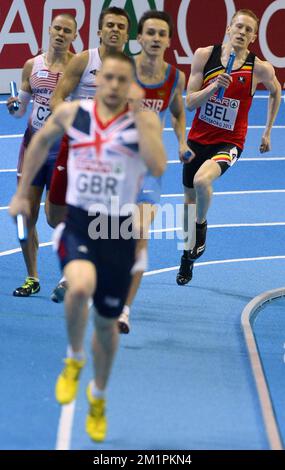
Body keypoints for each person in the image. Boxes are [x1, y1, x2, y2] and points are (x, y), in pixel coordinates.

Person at [9, 51, 167, 442]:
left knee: (107, 324)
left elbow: (159, 167)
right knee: (78, 288)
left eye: (120, 80)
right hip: (80, 222)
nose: (111, 85)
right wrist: (21, 193)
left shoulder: (141, 121)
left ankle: (98, 395)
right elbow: (37, 142)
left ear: (130, 86)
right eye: (106, 78)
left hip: (116, 229)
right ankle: (74, 359)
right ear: (99, 82)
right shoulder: (73, 114)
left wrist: (144, 133)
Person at [176, 8, 281, 285]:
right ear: (228, 29)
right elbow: (190, 102)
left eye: (248, 30)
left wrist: (267, 131)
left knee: (202, 181)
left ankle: (201, 229)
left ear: (254, 37)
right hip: (198, 138)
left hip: (229, 141)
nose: (242, 33)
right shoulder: (204, 56)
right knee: (188, 203)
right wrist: (213, 88)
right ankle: (187, 258)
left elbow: (276, 90)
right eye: (239, 27)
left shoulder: (259, 68)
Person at [48, 6, 130, 303]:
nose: (115, 30)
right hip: (74, 145)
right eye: (110, 25)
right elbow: (58, 97)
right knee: (53, 214)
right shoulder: (84, 59)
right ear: (99, 30)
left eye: (121, 26)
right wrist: (74, 124)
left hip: (106, 154)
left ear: (126, 34)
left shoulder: (129, 68)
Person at [117, 10, 191, 334]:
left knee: (139, 238)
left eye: (162, 34)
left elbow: (177, 112)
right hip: (115, 166)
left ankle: (124, 309)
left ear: (168, 40)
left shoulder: (175, 77)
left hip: (149, 168)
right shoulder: (121, 70)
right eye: (151, 33)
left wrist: (182, 142)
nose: (156, 39)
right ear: (140, 38)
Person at [6, 13, 77, 297]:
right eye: (57, 28)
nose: (60, 34)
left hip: (62, 150)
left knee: (54, 218)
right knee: (25, 216)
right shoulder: (31, 66)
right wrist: (13, 106)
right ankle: (32, 277)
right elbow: (20, 110)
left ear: (74, 36)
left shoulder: (77, 67)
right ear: (49, 30)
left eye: (67, 31)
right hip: (32, 148)